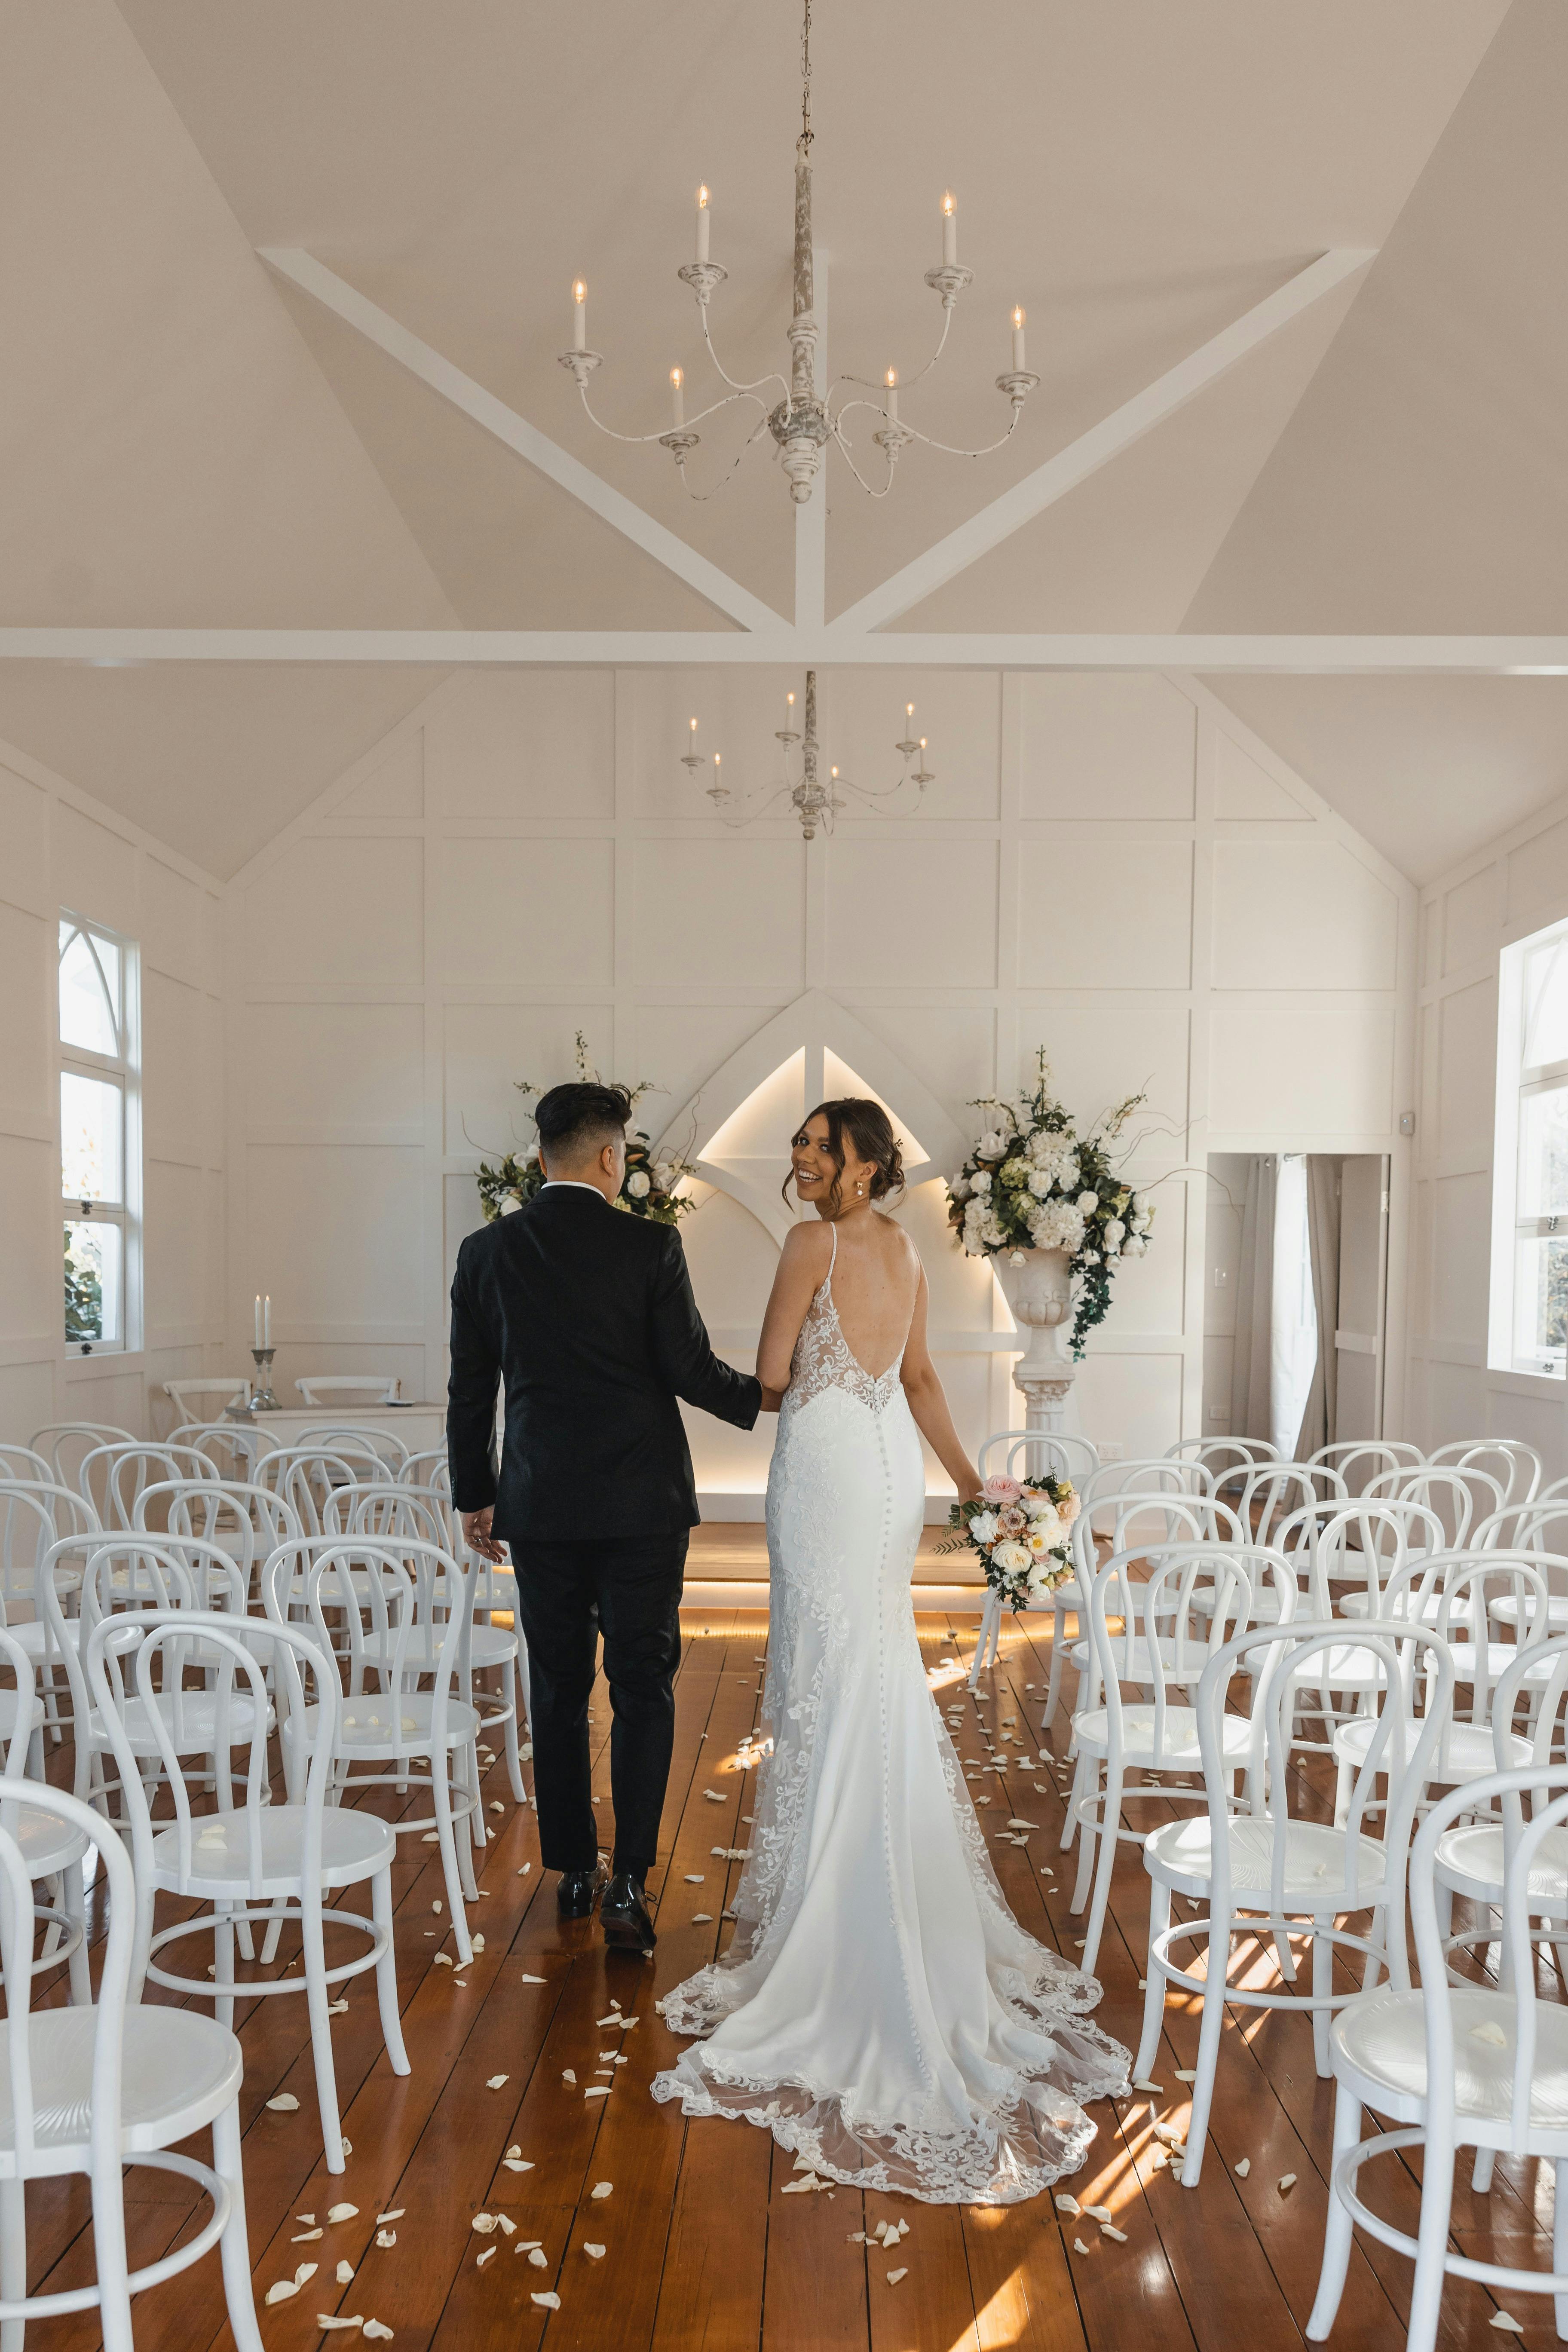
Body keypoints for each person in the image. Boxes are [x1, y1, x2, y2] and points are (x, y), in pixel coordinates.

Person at [652, 1097, 1128, 2201]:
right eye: (805, 1144)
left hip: (820, 1466)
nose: (803, 1156)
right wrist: (974, 1489)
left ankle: (835, 1914)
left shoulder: (809, 1243)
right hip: (887, 1477)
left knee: (826, 1674)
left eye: (823, 1146)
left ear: (863, 1167)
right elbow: (916, 1383)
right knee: (877, 1671)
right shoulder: (906, 1252)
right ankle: (879, 1880)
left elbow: (771, 1380)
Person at [447, 1079, 772, 1953]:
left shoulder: (486, 1252)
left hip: (541, 1505)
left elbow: (471, 1389)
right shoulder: (650, 1246)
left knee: (555, 1687)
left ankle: (575, 1870)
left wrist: (474, 1493)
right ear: (608, 1156)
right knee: (643, 1685)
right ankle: (631, 1876)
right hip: (641, 1507)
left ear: (541, 1156)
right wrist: (773, 1396)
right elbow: (690, 1369)